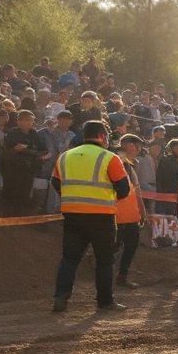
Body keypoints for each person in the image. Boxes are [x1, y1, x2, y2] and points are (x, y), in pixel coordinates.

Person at [50, 120, 131, 312]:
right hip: (101, 216)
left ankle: (60, 298)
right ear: (102, 136)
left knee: (69, 259)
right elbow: (124, 189)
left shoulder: (64, 156)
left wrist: (71, 197)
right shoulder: (110, 158)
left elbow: (55, 183)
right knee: (105, 260)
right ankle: (105, 301)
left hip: (72, 215)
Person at [113, 134, 147, 288]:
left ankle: (121, 277)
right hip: (118, 213)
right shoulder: (117, 162)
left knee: (130, 246)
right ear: (129, 145)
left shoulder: (129, 164)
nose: (139, 150)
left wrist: (142, 212)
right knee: (116, 247)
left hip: (130, 214)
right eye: (137, 146)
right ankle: (112, 277)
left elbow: (137, 191)